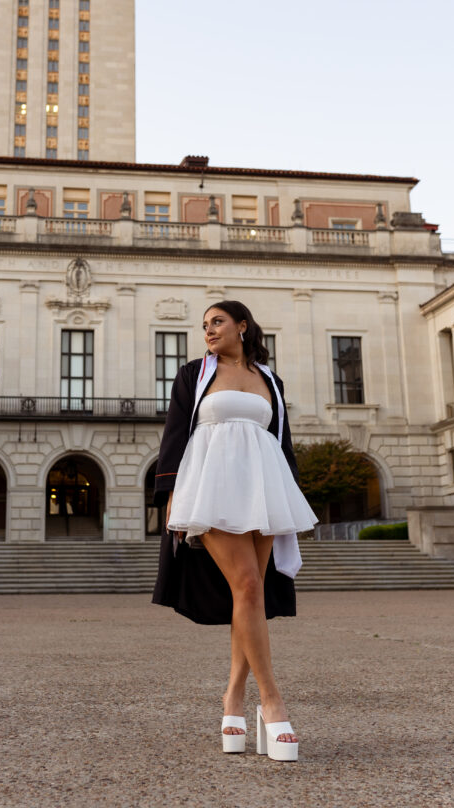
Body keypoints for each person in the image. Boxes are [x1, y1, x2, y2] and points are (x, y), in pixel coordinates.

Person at [152, 300, 318, 761]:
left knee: (252, 595)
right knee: (246, 584)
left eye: (218, 322)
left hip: (263, 484)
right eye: (204, 325)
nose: (208, 330)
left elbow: (280, 440)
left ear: (242, 326)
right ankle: (272, 701)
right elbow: (175, 434)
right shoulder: (194, 375)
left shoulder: (270, 380)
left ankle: (232, 701)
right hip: (213, 484)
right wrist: (169, 494)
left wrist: (289, 494)